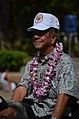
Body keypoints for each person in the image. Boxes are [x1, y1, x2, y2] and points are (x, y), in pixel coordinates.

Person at [7, 12, 79, 119]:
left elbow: (63, 97)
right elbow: (22, 88)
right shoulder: (32, 64)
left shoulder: (65, 63)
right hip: (32, 110)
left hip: (53, 114)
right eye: (34, 32)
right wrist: (10, 110)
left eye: (41, 33)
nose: (35, 36)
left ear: (53, 38)